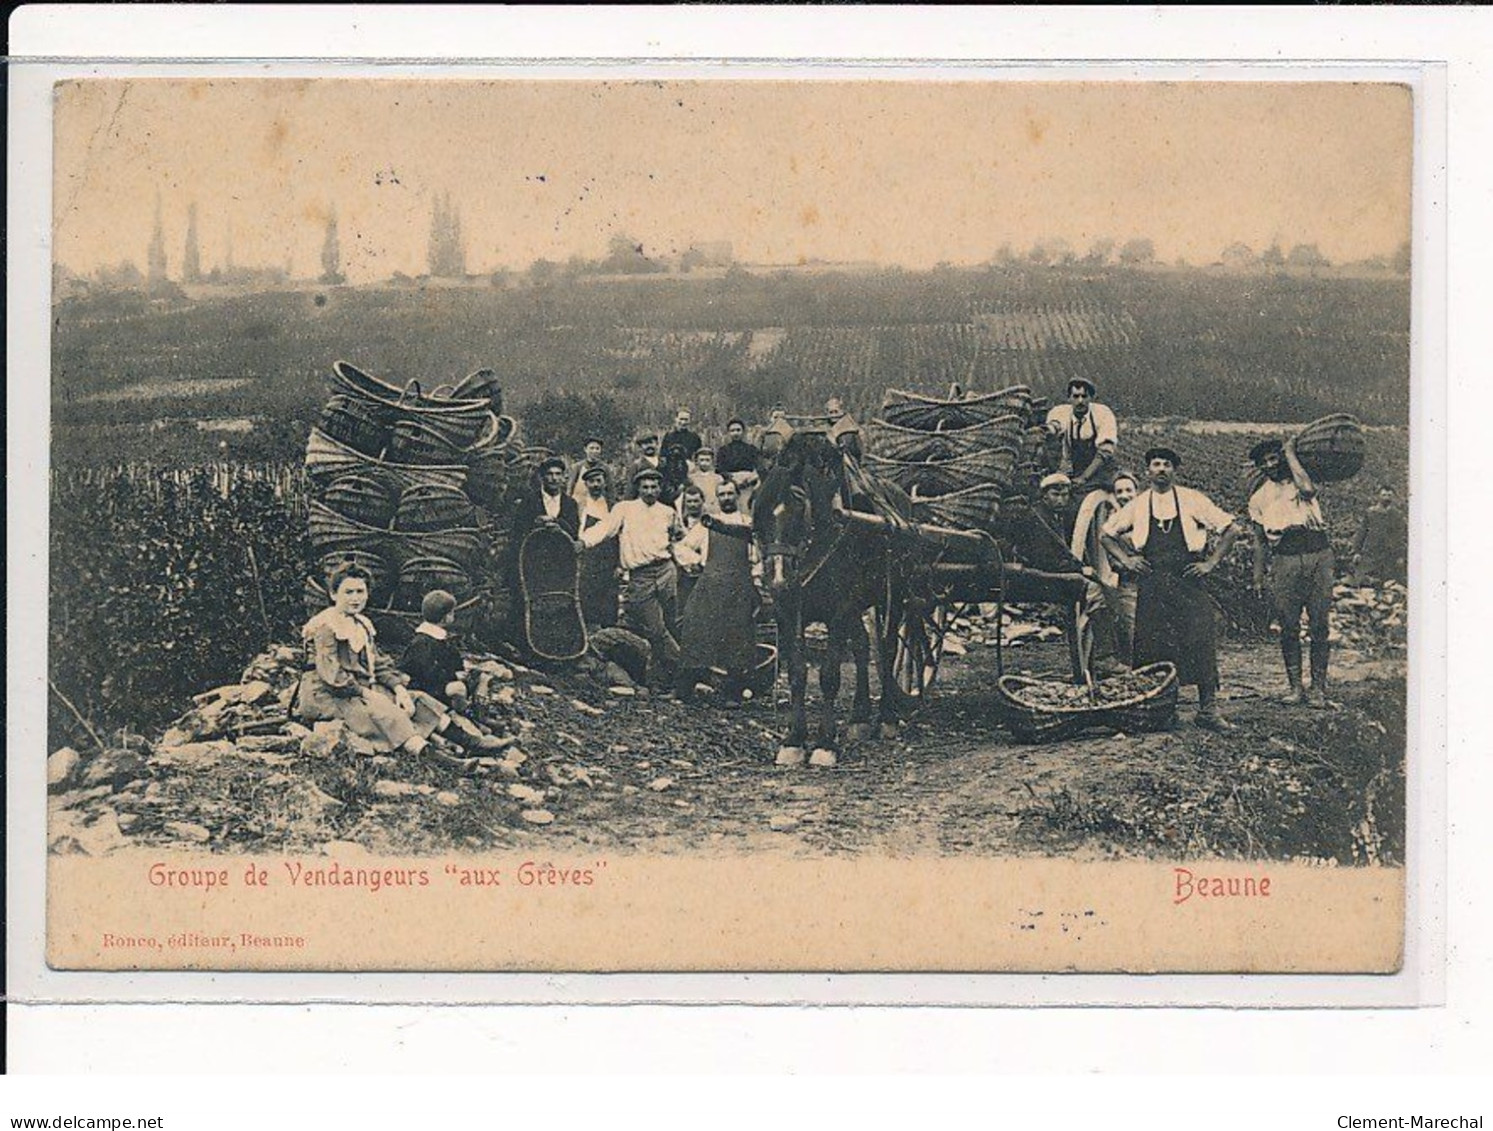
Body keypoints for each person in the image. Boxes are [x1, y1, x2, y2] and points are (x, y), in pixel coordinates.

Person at [1102, 447, 1246, 731]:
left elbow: (1232, 529)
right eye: (1155, 464)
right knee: (1155, 644)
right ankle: (1163, 712)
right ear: (1148, 471)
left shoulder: (1192, 500)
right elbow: (1106, 534)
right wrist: (1127, 559)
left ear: (1174, 470)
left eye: (1167, 464)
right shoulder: (1139, 504)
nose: (1161, 469)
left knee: (1200, 638)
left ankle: (1208, 710)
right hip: (1153, 581)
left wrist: (1211, 563)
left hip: (1188, 578)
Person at [296, 564, 472, 768]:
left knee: (417, 699)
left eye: (360, 591)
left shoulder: (361, 624)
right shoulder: (326, 626)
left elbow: (377, 663)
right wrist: (368, 693)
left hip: (354, 690)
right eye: (348, 592)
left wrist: (399, 688)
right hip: (326, 695)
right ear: (334, 594)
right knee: (385, 712)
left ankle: (469, 741)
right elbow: (332, 676)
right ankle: (439, 759)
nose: (355, 598)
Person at [577, 466, 684, 691]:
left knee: (670, 625)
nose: (649, 491)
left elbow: (677, 538)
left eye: (654, 486)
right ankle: (687, 669)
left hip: (666, 570)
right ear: (637, 488)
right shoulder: (624, 509)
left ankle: (660, 680)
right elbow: (605, 528)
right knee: (655, 629)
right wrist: (584, 542)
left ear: (660, 488)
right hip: (640, 576)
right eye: (645, 486)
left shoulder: (668, 511)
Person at [1007, 472, 1122, 679]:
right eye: (1055, 494)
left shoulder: (1055, 516)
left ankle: (1110, 652)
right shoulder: (1036, 518)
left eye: (1064, 495)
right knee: (1095, 592)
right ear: (1044, 495)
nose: (1060, 500)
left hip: (1044, 572)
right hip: (1036, 575)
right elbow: (1046, 558)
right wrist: (1079, 569)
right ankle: (1104, 658)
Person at [1248, 436, 1335, 708]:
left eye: (1275, 459)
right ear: (1260, 467)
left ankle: (1318, 688)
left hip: (1317, 553)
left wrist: (1291, 454)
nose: (1271, 465)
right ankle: (1296, 687)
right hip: (1284, 558)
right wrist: (1258, 575)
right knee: (1288, 625)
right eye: (1264, 463)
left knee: (1319, 623)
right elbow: (1260, 540)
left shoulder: (1300, 481)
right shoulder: (1258, 497)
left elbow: (1308, 491)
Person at [675, 479, 758, 702]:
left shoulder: (748, 523)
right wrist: (696, 562)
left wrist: (756, 574)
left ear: (737, 495)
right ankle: (686, 689)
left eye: (730, 493)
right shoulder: (707, 523)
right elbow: (682, 547)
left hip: (739, 587)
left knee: (737, 638)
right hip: (710, 585)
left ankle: (732, 693)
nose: (726, 498)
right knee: (697, 631)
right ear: (717, 497)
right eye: (722, 494)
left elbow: (759, 556)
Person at [397, 590, 509, 752]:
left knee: (481, 677)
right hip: (427, 688)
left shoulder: (440, 637)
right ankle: (469, 717)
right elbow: (428, 673)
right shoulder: (422, 642)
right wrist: (453, 675)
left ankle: (480, 717)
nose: (453, 616)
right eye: (452, 613)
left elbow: (451, 661)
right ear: (446, 617)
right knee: (458, 688)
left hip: (439, 683)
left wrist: (462, 670)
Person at [1045, 378, 1119, 493]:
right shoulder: (1061, 412)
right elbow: (1054, 426)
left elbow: (1105, 451)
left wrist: (1084, 478)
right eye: (1075, 396)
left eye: (1084, 396)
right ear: (1069, 398)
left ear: (1091, 398)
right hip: (1077, 468)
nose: (1080, 401)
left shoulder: (1102, 413)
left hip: (1101, 469)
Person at [1102, 471, 1142, 664]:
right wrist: (1126, 562)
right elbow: (1109, 555)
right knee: (1130, 627)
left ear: (1137, 491)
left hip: (1155, 581)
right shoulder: (1113, 521)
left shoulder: (1149, 513)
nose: (1124, 495)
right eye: (1119, 491)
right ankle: (1133, 670)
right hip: (1129, 583)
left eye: (1129, 490)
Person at [576, 465, 620, 629]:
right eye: (591, 481)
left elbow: (619, 536)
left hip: (609, 557)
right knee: (587, 594)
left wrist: (619, 563)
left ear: (604, 483)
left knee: (609, 597)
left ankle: (609, 631)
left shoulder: (613, 506)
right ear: (586, 485)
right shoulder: (580, 505)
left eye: (598, 481)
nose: (595, 485)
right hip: (588, 558)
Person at [1352, 482, 1408, 586]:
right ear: (1378, 496)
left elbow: (1400, 536)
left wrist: (1401, 556)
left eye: (1389, 495)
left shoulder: (1397, 515)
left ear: (1393, 497)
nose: (1386, 498)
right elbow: (1361, 533)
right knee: (1366, 584)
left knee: (1388, 586)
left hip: (1389, 555)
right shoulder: (1370, 513)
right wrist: (1357, 552)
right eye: (1384, 495)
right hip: (1370, 554)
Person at [673, 484, 709, 610]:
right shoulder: (679, 523)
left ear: (702, 501)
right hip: (683, 575)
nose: (693, 505)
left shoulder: (710, 522)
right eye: (689, 501)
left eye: (696, 501)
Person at [567, 437, 610, 505]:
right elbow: (570, 487)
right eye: (591, 448)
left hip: (598, 504)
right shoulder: (577, 467)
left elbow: (610, 490)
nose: (594, 451)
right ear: (585, 449)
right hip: (579, 504)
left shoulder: (605, 468)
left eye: (597, 448)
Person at [624, 433, 662, 500]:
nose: (649, 446)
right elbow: (631, 489)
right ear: (641, 447)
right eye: (645, 444)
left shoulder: (664, 463)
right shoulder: (637, 465)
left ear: (656, 444)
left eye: (651, 442)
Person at [688, 447, 724, 513]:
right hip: (697, 508)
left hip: (714, 508)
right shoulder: (691, 478)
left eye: (707, 460)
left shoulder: (718, 478)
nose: (704, 463)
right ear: (697, 461)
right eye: (701, 460)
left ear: (712, 461)